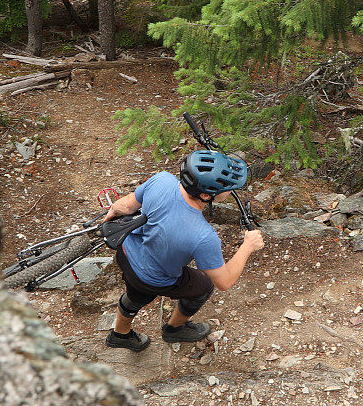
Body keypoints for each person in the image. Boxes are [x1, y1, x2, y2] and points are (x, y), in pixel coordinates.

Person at [102, 150, 265, 352]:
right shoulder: (203, 236)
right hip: (151, 277)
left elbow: (124, 207)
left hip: (126, 251)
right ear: (206, 195)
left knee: (136, 293)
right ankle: (174, 330)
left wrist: (111, 214)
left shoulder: (162, 179)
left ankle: (120, 334)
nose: (230, 190)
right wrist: (248, 245)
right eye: (225, 187)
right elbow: (225, 281)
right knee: (203, 286)